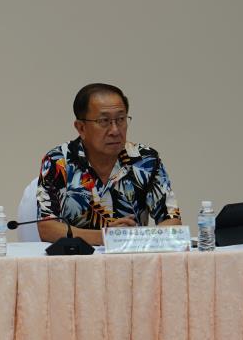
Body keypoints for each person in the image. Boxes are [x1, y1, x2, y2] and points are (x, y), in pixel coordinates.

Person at [36, 83, 181, 246]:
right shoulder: (58, 161)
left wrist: (135, 238)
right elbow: (47, 228)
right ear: (81, 128)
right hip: (76, 257)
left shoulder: (145, 160)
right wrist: (106, 237)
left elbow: (172, 222)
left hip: (132, 257)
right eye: (104, 121)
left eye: (121, 119)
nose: (115, 130)